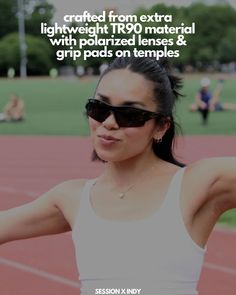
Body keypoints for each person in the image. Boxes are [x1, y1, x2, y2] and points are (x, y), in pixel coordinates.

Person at [0, 56, 236, 295]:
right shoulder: (71, 198)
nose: (109, 123)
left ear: (161, 127)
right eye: (99, 109)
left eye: (129, 115)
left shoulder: (199, 184)